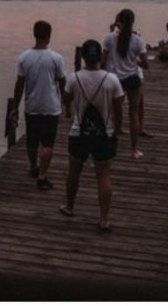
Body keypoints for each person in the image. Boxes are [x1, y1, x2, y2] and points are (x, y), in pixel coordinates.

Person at [60, 39, 125, 233]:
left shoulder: (73, 78)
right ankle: (104, 218)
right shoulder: (112, 80)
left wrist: (70, 110)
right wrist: (117, 131)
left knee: (74, 171)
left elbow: (67, 100)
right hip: (104, 133)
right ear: (100, 57)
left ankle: (70, 207)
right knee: (103, 174)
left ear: (83, 57)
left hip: (78, 132)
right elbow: (119, 107)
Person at [9, 20, 67, 190]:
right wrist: (67, 104)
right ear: (49, 35)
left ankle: (34, 166)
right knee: (48, 143)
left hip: (31, 106)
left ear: (34, 34)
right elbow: (62, 83)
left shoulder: (24, 57)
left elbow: (20, 84)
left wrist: (15, 107)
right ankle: (42, 176)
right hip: (51, 107)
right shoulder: (56, 58)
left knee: (32, 141)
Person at [103, 9, 150, 160]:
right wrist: (135, 61)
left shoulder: (109, 38)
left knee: (115, 111)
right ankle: (134, 150)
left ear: (119, 22)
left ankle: (113, 144)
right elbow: (145, 64)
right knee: (133, 112)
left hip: (115, 79)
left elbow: (103, 61)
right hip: (132, 79)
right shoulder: (137, 40)